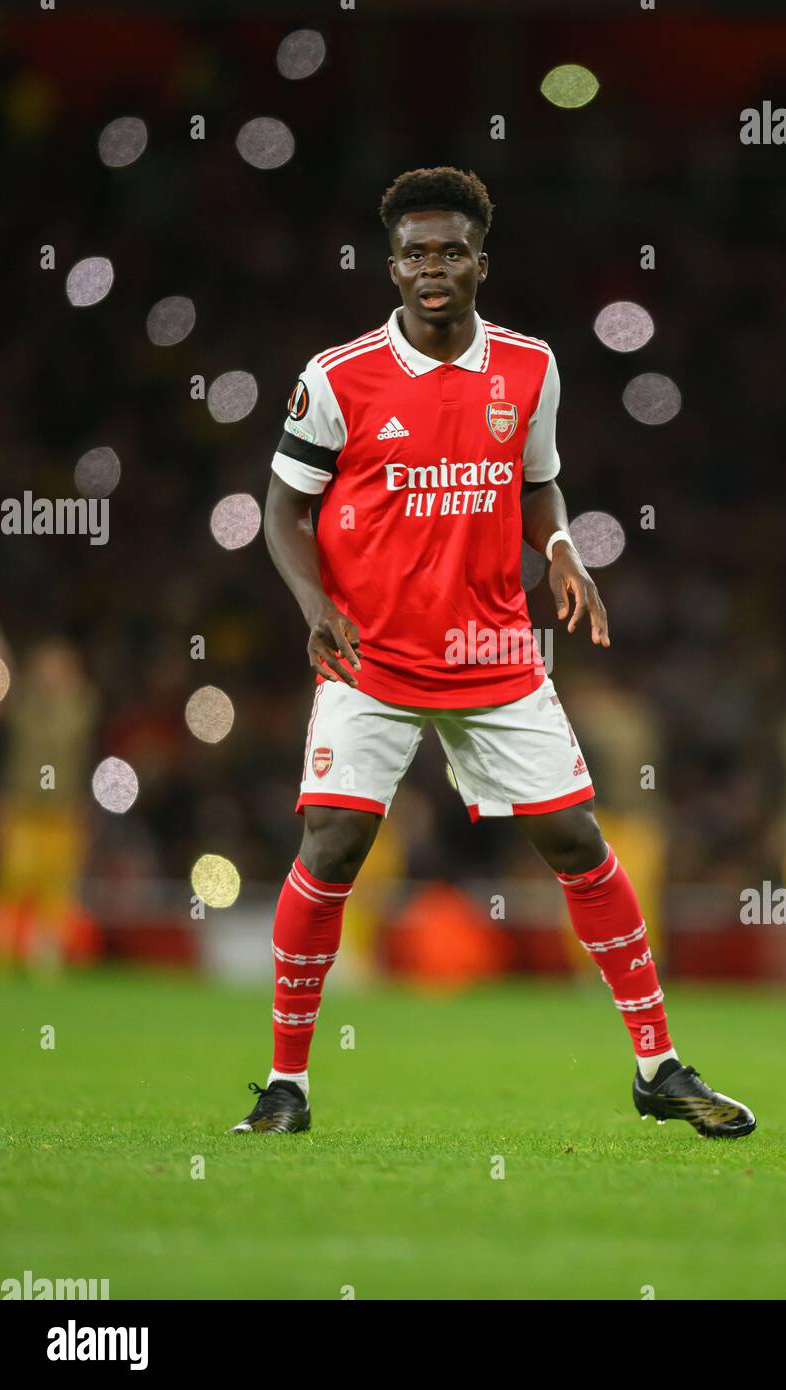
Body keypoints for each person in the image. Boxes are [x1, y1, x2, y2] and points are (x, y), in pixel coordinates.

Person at [230, 167, 754, 1141]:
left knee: (576, 841)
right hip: (372, 653)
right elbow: (282, 510)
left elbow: (539, 483)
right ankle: (285, 1082)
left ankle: (657, 1065)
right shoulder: (337, 377)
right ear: (392, 266)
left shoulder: (531, 367)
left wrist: (560, 550)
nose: (435, 268)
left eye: (452, 251)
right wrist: (313, 604)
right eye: (417, 253)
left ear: (481, 261)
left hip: (494, 650)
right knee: (332, 847)